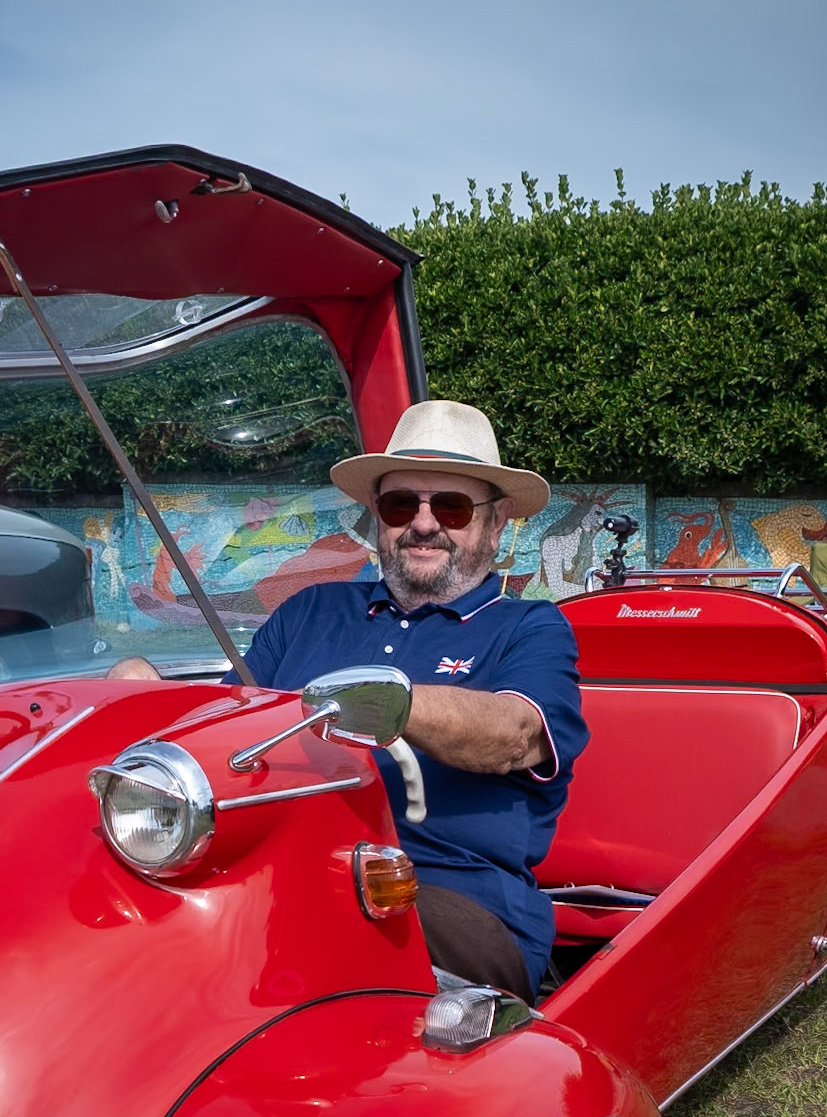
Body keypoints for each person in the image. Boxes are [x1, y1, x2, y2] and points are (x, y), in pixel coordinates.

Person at [110, 400, 586, 1002]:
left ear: (496, 522)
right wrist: (144, 702)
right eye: (398, 505)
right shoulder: (311, 609)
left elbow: (516, 733)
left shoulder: (530, 626)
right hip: (278, 871)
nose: (423, 523)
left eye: (452, 506)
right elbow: (230, 729)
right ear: (377, 518)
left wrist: (392, 702)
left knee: (289, 943)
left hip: (448, 895)